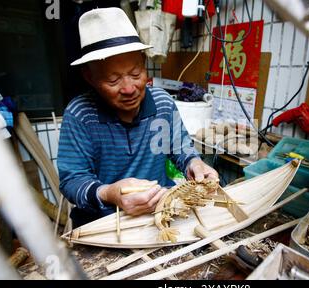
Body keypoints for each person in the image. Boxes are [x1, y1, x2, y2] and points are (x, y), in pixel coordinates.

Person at [58, 7, 218, 228]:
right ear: (90, 77)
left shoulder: (162, 104)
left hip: (159, 215)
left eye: (136, 74)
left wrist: (194, 163)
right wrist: (109, 193)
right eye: (113, 80)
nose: (129, 88)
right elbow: (72, 181)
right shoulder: (80, 114)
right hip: (104, 223)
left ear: (144, 63)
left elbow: (180, 149)